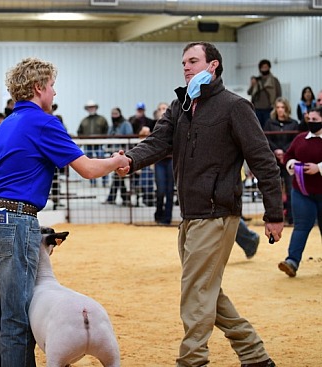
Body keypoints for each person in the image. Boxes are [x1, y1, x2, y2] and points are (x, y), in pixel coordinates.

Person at [118, 42, 283, 367]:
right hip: (191, 215)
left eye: (193, 61)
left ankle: (192, 360)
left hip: (218, 214)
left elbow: (263, 160)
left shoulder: (235, 106)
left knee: (195, 292)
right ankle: (255, 356)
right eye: (183, 62)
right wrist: (129, 160)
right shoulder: (181, 106)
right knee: (205, 289)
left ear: (213, 66)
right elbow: (158, 141)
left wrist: (274, 213)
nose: (186, 67)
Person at [0, 57, 129, 367]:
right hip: (15, 218)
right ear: (38, 88)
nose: (54, 93)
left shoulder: (4, 127)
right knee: (16, 315)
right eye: (52, 86)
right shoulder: (44, 123)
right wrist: (115, 161)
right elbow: (85, 168)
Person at [278, 106, 322, 278]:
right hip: (302, 192)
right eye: (309, 120)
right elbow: (288, 156)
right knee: (301, 227)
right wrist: (293, 165)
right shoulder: (300, 139)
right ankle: (292, 261)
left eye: (315, 120)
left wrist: (318, 168)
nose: (311, 123)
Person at [264, 97, 300, 224]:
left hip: (288, 160)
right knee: (273, 190)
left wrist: (284, 151)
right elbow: (266, 139)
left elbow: (295, 140)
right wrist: (276, 151)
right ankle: (274, 218)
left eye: (282, 107)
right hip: (273, 160)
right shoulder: (269, 123)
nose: (280, 110)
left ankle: (291, 218)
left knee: (291, 189)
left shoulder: (294, 123)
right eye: (278, 107)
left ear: (287, 108)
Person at [104, 107, 133, 205]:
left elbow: (129, 138)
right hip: (113, 155)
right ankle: (123, 198)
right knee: (118, 177)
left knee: (118, 176)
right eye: (112, 113)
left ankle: (114, 198)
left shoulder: (126, 124)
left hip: (122, 154)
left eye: (116, 113)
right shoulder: (112, 127)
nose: (114, 116)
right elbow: (108, 139)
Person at [77, 100, 109, 187]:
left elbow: (106, 130)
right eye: (89, 107)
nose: (91, 109)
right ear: (87, 109)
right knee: (89, 163)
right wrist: (82, 140)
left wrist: (103, 139)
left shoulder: (101, 119)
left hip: (99, 144)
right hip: (88, 145)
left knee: (103, 162)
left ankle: (105, 181)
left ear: (95, 108)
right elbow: (79, 131)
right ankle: (93, 182)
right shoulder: (84, 121)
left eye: (92, 107)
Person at [152, 102, 174, 224]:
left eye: (164, 108)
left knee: (170, 190)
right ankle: (158, 213)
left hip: (171, 159)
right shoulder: (154, 125)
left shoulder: (175, 123)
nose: (162, 110)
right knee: (160, 189)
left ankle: (167, 218)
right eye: (160, 109)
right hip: (159, 160)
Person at [247, 59, 282, 128]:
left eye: (266, 67)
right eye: (263, 67)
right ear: (260, 68)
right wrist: (252, 85)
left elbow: (279, 94)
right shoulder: (257, 80)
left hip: (269, 108)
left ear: (269, 67)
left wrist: (276, 107)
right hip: (257, 109)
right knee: (257, 128)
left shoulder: (274, 80)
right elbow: (249, 92)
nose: (264, 69)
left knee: (269, 127)